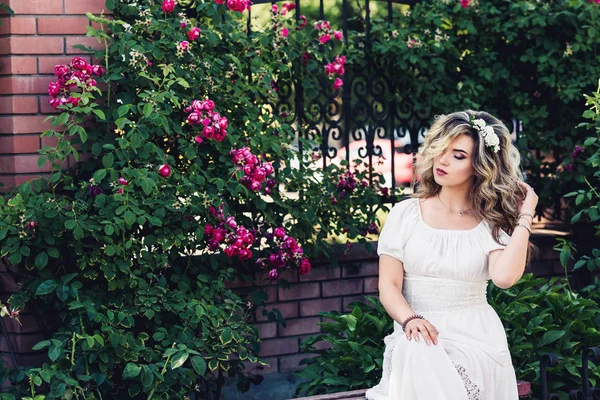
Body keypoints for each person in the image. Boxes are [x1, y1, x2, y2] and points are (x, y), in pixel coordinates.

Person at [365, 110, 538, 400]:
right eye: (440, 150)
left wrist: (525, 215)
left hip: (477, 340)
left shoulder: (489, 223)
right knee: (418, 348)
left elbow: (505, 278)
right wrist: (410, 320)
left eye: (458, 155)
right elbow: (388, 286)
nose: (442, 160)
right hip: (416, 333)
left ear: (480, 166)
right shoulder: (405, 214)